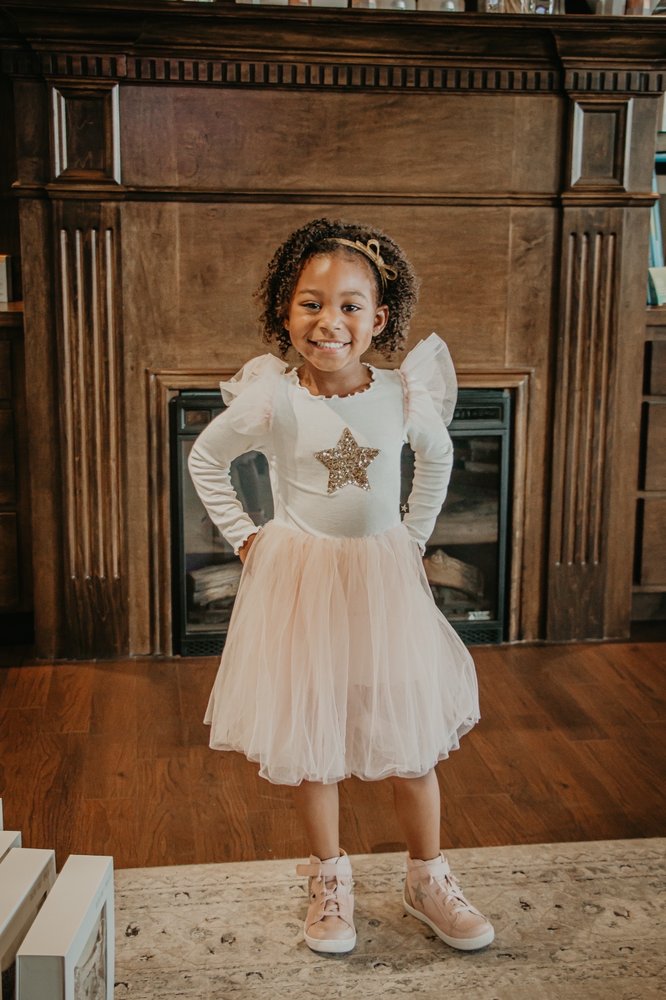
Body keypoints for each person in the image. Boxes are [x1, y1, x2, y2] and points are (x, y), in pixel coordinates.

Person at [188, 217, 494, 956]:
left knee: (408, 733)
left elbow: (438, 458)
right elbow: (206, 460)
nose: (330, 321)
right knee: (315, 728)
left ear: (379, 318)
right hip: (303, 579)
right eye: (312, 304)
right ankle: (329, 878)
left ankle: (427, 878)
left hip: (382, 582)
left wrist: (413, 535)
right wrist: (247, 537)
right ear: (285, 313)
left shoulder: (402, 394)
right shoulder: (274, 398)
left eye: (350, 305)